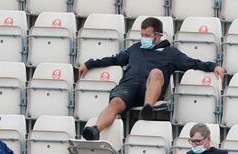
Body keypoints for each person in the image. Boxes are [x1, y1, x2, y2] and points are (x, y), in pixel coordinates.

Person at [78, 17, 226, 140]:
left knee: (156, 72)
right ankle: (95, 129)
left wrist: (213, 66)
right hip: (129, 86)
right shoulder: (135, 48)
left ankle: (147, 108)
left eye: (147, 36)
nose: (144, 39)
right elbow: (115, 59)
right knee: (115, 102)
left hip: (150, 89)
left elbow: (192, 63)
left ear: (158, 35)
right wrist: (90, 63)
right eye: (142, 35)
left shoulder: (171, 53)